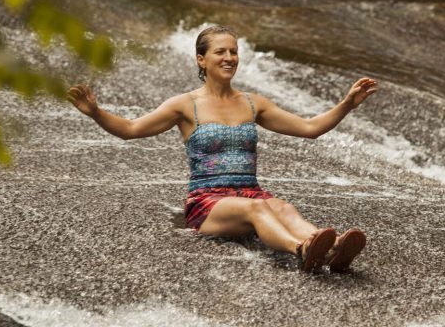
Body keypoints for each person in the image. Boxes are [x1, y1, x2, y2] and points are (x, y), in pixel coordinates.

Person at [67, 25, 378, 273]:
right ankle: (303, 250)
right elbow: (131, 130)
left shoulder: (254, 102)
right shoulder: (184, 105)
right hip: (209, 203)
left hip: (250, 191)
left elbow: (310, 129)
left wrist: (347, 104)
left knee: (282, 207)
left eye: (234, 51)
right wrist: (96, 112)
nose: (230, 57)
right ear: (201, 60)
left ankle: (333, 247)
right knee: (258, 210)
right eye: (220, 52)